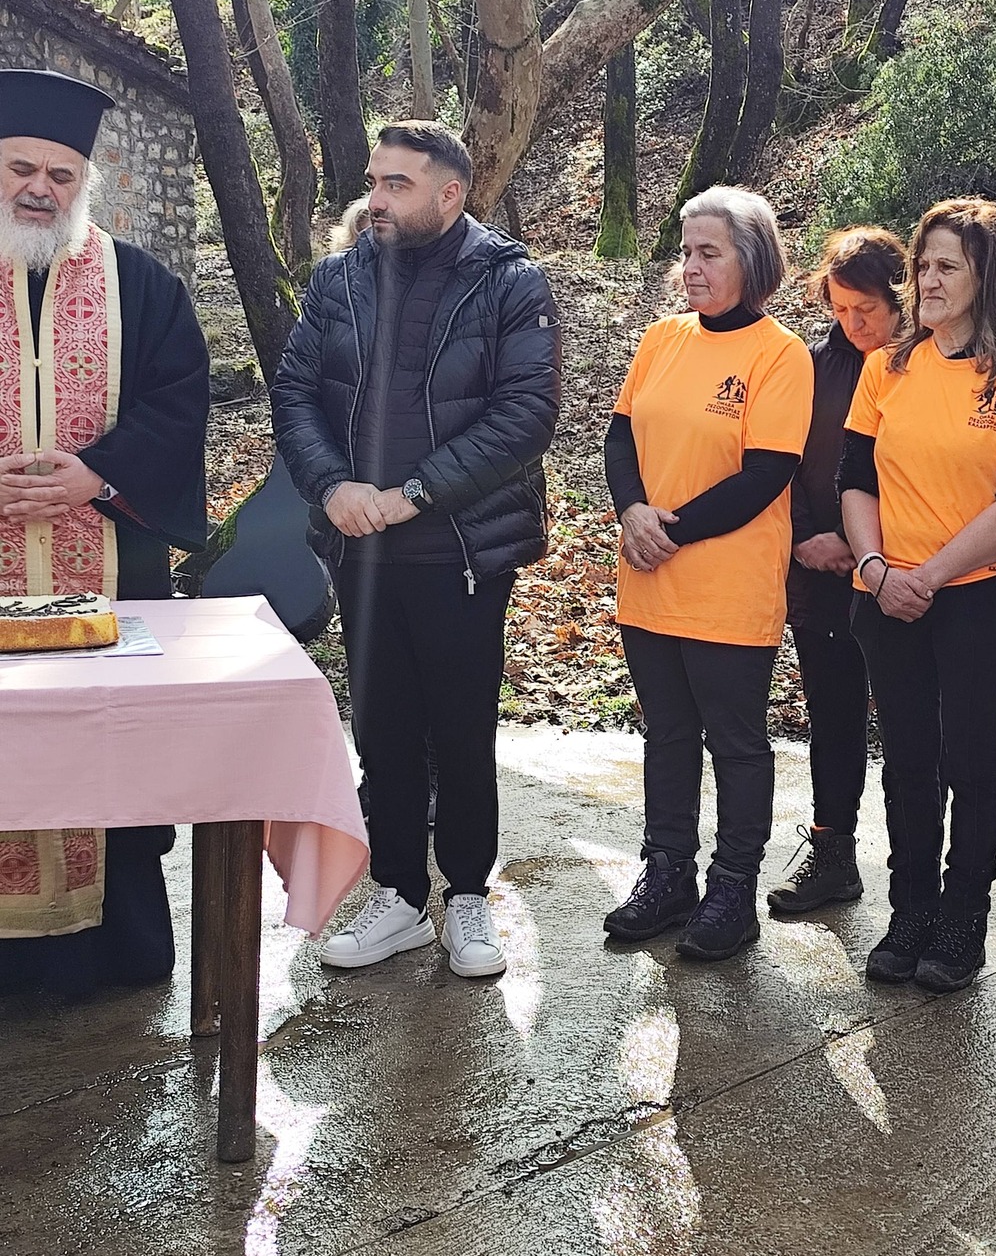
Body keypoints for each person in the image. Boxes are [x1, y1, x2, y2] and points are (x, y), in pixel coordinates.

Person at [273, 120, 560, 978]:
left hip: (459, 551)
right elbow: (295, 391)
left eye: (397, 184)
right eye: (374, 181)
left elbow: (525, 414)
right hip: (360, 552)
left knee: (462, 733)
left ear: (450, 193)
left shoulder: (509, 281)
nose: (377, 199)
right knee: (384, 731)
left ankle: (467, 896)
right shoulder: (339, 277)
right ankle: (397, 895)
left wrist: (412, 495)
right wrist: (333, 487)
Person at [0, 68, 210, 999]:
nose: (40, 189)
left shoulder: (140, 284)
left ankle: (113, 952)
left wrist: (99, 474)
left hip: (108, 564)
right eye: (21, 169)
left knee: (106, 744)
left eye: (61, 174)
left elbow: (180, 401)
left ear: (84, 183)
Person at [838, 197, 996, 992]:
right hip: (886, 594)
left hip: (973, 599)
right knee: (907, 761)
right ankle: (910, 909)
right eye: (922, 265)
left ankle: (963, 914)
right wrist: (876, 570)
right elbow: (855, 480)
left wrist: (928, 577)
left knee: (969, 760)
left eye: (946, 267)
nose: (927, 280)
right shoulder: (887, 368)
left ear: (987, 277)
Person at [601, 187, 813, 962]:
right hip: (649, 578)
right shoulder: (662, 339)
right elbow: (619, 437)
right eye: (686, 252)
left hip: (728, 586)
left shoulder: (780, 355)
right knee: (666, 736)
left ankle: (732, 890)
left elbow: (765, 475)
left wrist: (668, 529)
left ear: (750, 261)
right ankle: (667, 875)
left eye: (708, 253)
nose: (690, 266)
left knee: (735, 742)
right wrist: (632, 512)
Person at [767, 225, 906, 918]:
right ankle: (832, 851)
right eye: (841, 308)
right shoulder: (808, 368)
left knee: (914, 725)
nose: (854, 325)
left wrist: (880, 550)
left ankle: (920, 872)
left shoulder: (924, 366)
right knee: (833, 715)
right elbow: (776, 459)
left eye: (867, 310)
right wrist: (803, 539)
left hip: (908, 575)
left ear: (900, 301)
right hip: (821, 574)